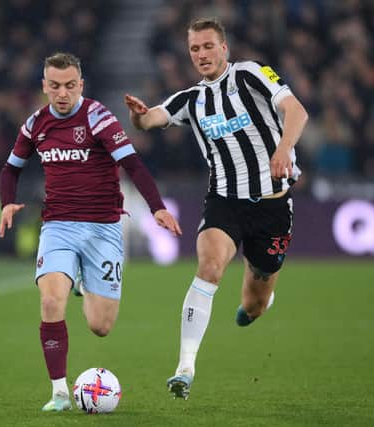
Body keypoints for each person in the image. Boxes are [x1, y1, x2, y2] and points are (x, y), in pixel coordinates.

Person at [124, 18, 308, 399]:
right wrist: (139, 115)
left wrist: (282, 148)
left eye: (208, 46)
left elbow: (297, 111)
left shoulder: (251, 74)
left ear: (224, 48)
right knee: (208, 268)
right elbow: (152, 119)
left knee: (253, 305)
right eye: (195, 49)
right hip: (224, 201)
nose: (202, 54)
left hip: (272, 207)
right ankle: (185, 368)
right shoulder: (191, 98)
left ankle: (260, 299)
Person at [0, 52, 182, 412]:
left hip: (103, 228)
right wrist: (7, 201)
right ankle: (59, 392)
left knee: (101, 326)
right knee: (51, 301)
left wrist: (157, 206)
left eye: (69, 86)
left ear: (80, 85)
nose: (62, 93)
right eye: (54, 86)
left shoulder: (98, 117)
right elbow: (10, 169)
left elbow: (133, 164)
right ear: (44, 86)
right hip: (58, 227)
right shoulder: (35, 124)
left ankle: (83, 281)